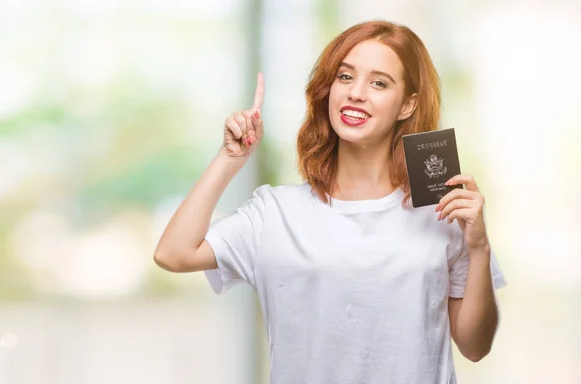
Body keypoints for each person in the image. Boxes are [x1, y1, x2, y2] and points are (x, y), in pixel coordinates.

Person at [154, 19, 506, 384]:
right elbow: (173, 253)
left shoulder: (442, 212)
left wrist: (478, 246)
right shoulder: (276, 212)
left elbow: (475, 346)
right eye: (345, 77)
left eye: (379, 83)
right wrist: (231, 158)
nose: (356, 93)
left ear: (407, 105)